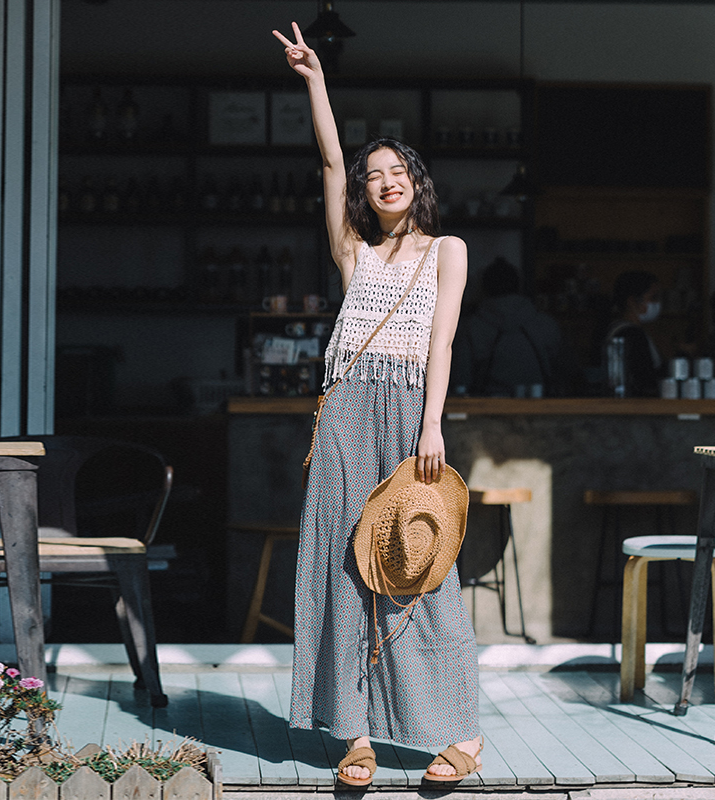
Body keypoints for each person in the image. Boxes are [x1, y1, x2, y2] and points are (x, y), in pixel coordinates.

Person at [272, 22, 481, 786]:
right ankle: (351, 729)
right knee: (338, 567)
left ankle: (459, 729)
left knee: (419, 564)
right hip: (343, 411)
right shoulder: (353, 252)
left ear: (416, 182)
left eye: (396, 171)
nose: (383, 181)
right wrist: (314, 81)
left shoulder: (446, 249)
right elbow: (330, 158)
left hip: (406, 415)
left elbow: (443, 342)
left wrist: (432, 423)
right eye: (374, 175)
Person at [453, 257, 564, 396]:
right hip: (541, 405)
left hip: (485, 407)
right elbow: (564, 372)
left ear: (484, 288)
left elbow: (461, 377)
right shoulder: (546, 324)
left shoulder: (472, 327)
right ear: (519, 286)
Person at [604, 270, 666, 397]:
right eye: (653, 298)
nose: (657, 303)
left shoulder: (616, 329)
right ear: (632, 301)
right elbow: (645, 380)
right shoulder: (631, 334)